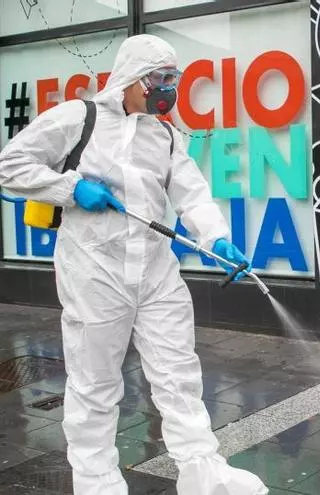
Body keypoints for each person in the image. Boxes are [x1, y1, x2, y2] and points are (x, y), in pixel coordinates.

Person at [0, 35, 268, 494]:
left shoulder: (163, 135)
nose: (168, 88)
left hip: (155, 272)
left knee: (179, 374)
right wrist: (71, 189)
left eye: (173, 78)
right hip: (94, 271)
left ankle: (204, 474)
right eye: (159, 78)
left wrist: (216, 238)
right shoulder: (78, 117)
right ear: (131, 77)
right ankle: (97, 482)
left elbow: (191, 193)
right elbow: (10, 165)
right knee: (94, 384)